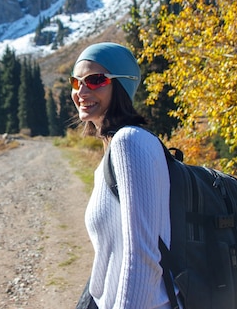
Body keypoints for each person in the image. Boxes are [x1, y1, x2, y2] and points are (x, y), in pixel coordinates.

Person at [71, 42, 172, 309]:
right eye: (76, 81)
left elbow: (142, 257)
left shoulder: (130, 142)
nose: (81, 91)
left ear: (123, 85)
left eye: (95, 80)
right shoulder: (116, 149)